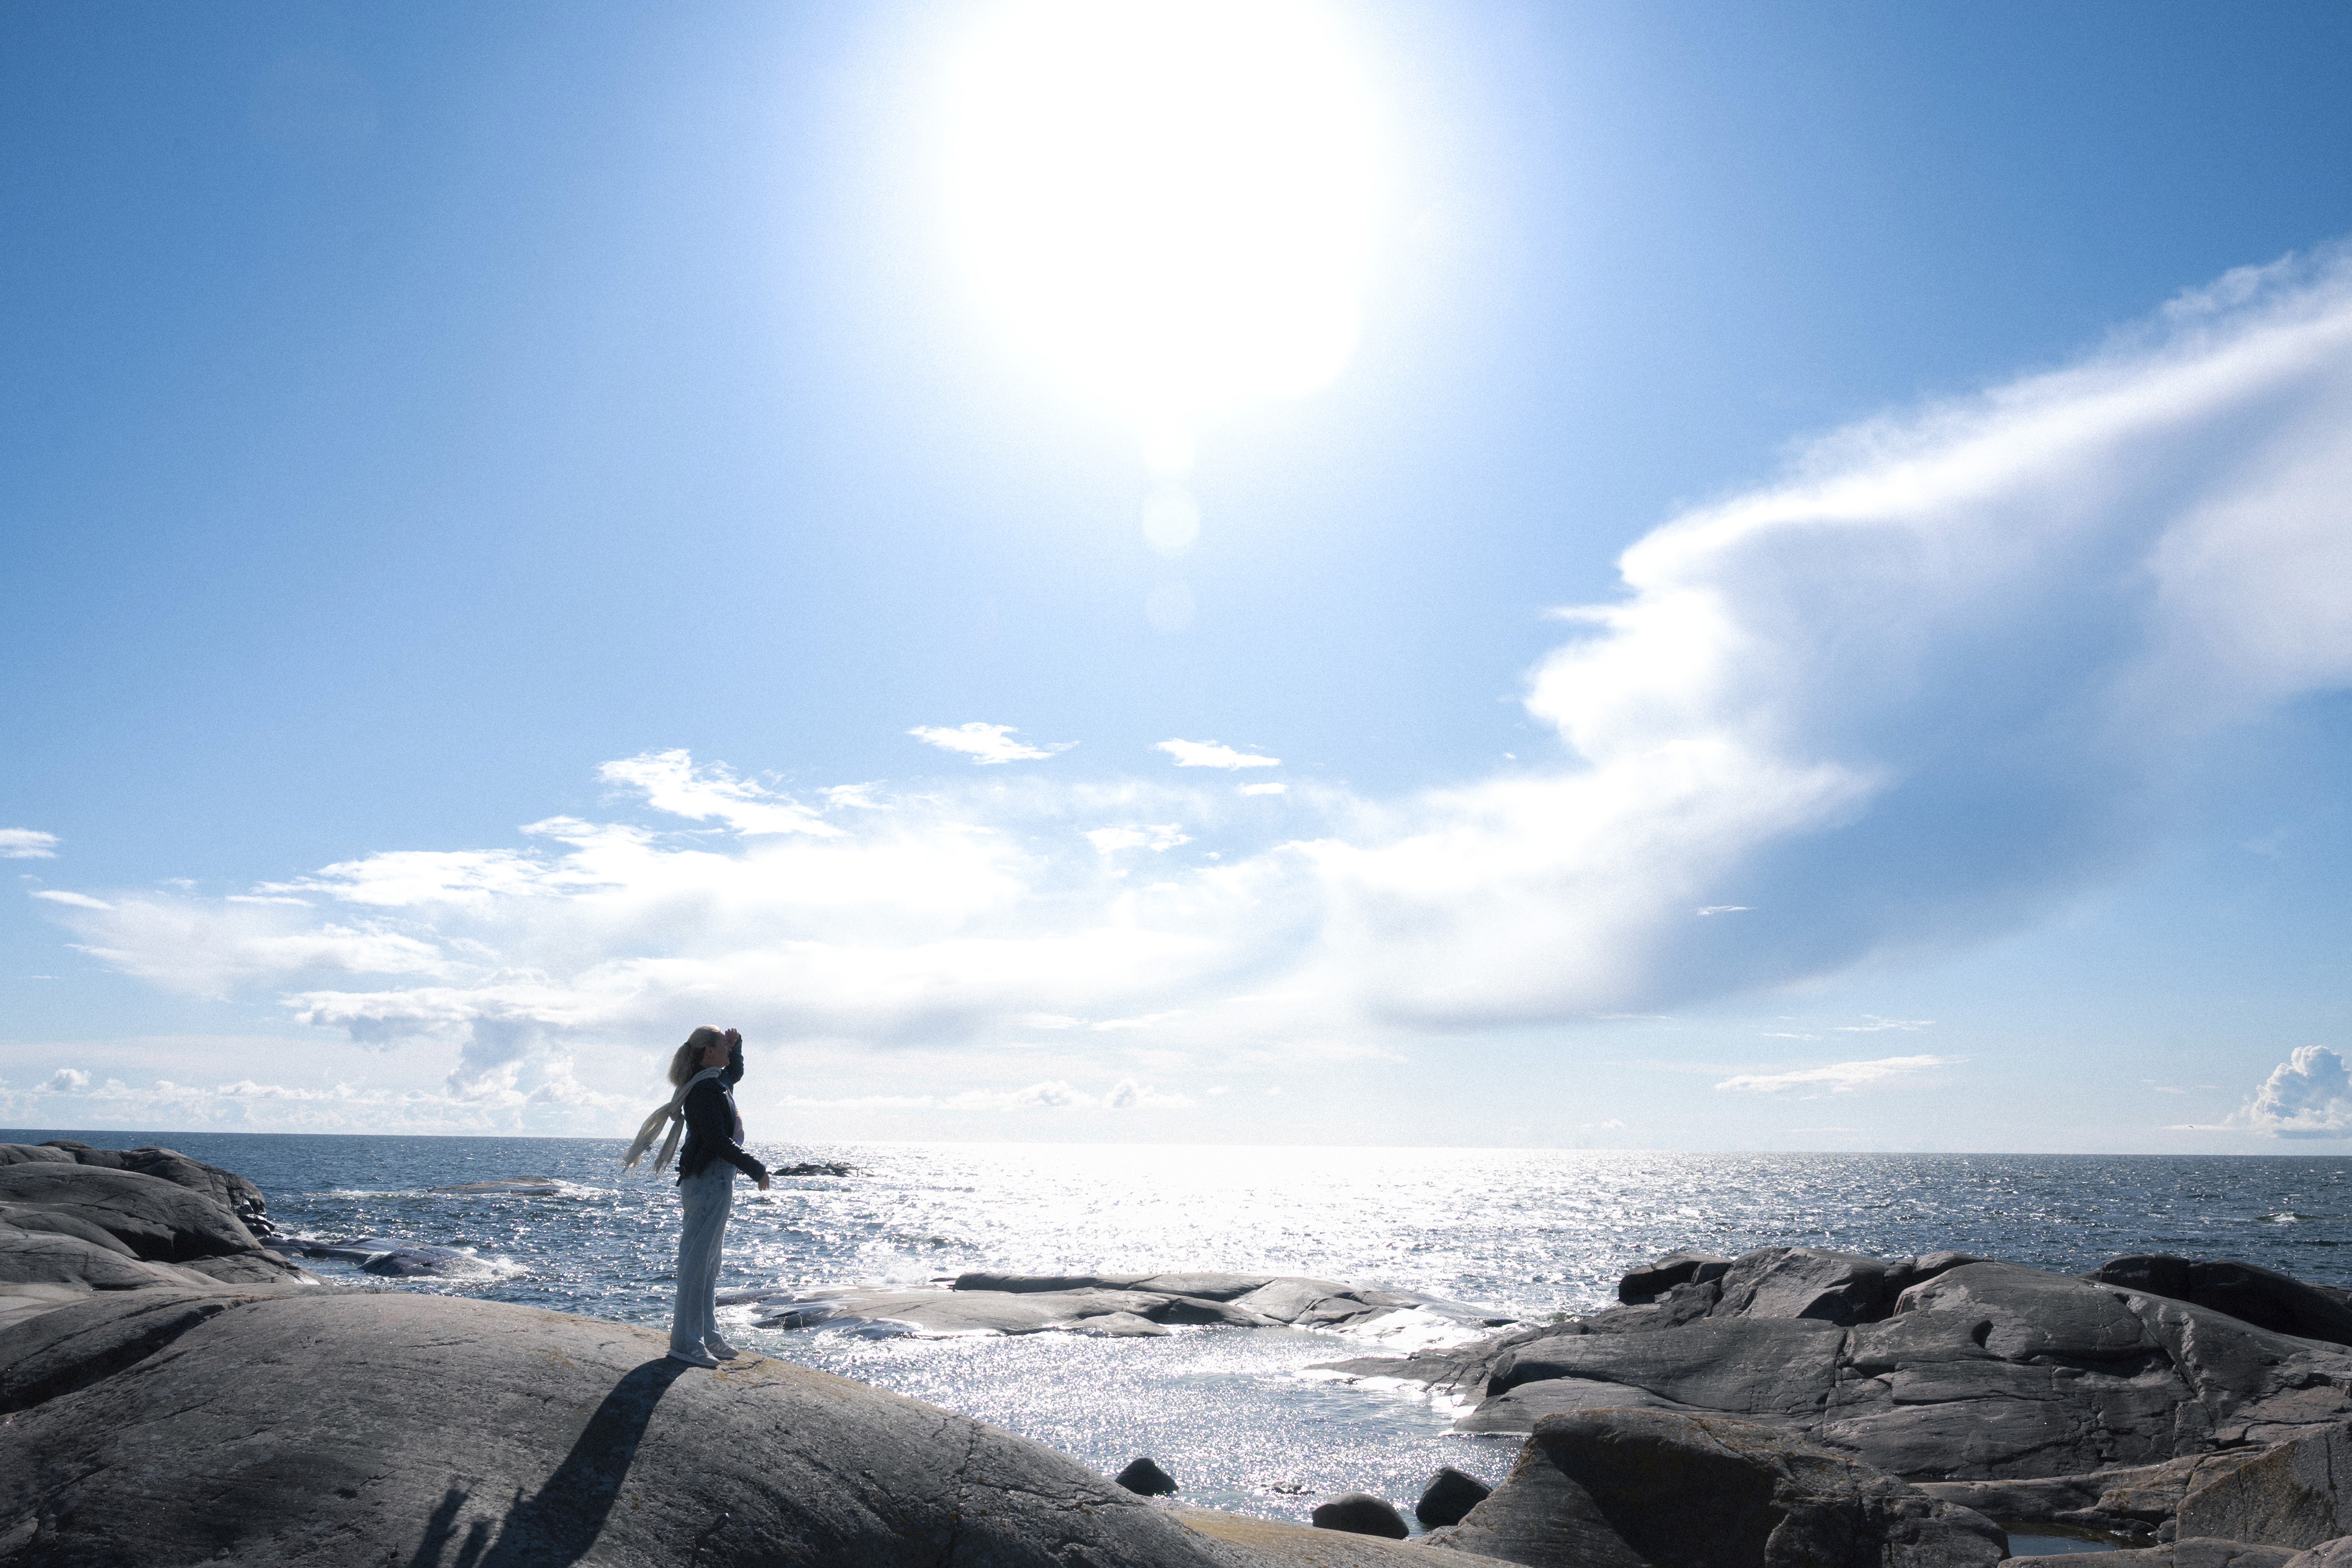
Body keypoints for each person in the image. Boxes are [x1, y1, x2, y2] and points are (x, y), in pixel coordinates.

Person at [648, 1025, 770, 1367]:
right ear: (708, 1052)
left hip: (717, 1180)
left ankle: (707, 1335)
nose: (727, 1052)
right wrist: (755, 1168)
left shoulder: (716, 1082)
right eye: (723, 1047)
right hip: (706, 1181)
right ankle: (686, 1343)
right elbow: (717, 1140)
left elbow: (735, 1073)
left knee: (710, 1263)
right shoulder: (703, 1091)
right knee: (697, 1262)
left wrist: (737, 1045)